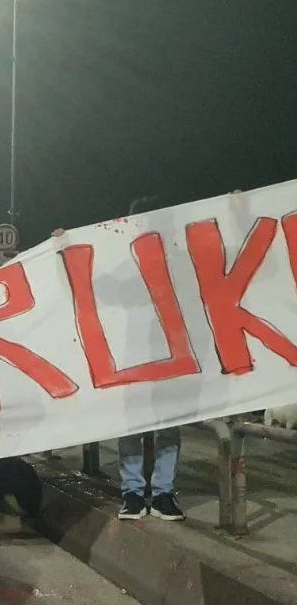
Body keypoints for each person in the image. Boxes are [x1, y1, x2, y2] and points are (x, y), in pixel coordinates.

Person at [52, 197, 185, 522]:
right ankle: (133, 494)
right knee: (132, 428)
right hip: (133, 357)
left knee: (168, 427)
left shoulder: (178, 259)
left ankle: (162, 493)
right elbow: (98, 286)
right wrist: (64, 248)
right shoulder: (124, 262)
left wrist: (238, 215)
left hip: (175, 355)